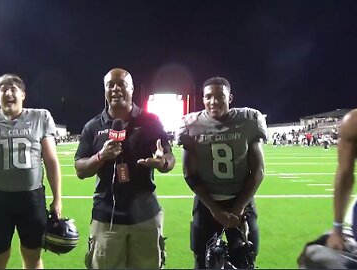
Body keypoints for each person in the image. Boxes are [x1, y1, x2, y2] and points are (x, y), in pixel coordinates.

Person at [74, 68, 175, 269]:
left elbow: (169, 157)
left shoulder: (151, 121)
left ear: (132, 88)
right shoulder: (93, 126)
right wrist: (101, 156)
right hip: (107, 217)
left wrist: (162, 162)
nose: (116, 89)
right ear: (104, 90)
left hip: (145, 216)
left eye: (121, 84)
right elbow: (80, 169)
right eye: (110, 85)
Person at [0, 74, 62, 269]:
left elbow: (51, 161)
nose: (8, 93)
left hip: (32, 199)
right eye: (3, 89)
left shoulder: (40, 117)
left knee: (33, 258)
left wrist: (57, 199)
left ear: (23, 95)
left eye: (13, 89)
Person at [176, 76, 266, 269]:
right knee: (202, 261)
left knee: (244, 260)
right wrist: (215, 210)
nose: (214, 101)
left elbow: (258, 171)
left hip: (241, 203)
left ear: (230, 98)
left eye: (220, 96)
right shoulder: (191, 125)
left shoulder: (248, 120)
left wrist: (238, 208)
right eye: (208, 97)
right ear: (203, 99)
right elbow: (188, 173)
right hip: (207, 204)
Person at [326, 109, 357, 250]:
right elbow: (345, 175)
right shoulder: (352, 122)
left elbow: (345, 176)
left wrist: (337, 229)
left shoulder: (353, 121)